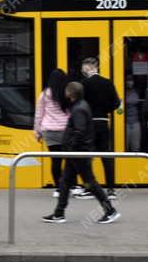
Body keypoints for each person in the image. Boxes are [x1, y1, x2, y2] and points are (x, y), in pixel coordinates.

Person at [43, 82, 120, 225]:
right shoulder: (80, 105)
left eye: (66, 91)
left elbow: (79, 130)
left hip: (79, 153)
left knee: (90, 183)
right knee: (65, 182)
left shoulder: (78, 109)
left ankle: (110, 211)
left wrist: (71, 147)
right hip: (76, 153)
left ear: (70, 93)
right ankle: (59, 213)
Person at [77, 57, 120, 200]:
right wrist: (105, 110)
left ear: (89, 67)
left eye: (83, 67)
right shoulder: (107, 82)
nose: (82, 70)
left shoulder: (84, 84)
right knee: (106, 156)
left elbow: (79, 104)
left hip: (89, 124)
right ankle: (111, 189)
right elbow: (116, 103)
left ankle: (90, 188)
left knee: (87, 157)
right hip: (103, 122)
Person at [34, 68, 70, 197]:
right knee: (70, 160)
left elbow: (39, 114)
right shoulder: (66, 93)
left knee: (56, 160)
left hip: (49, 131)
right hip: (66, 131)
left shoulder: (44, 94)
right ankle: (71, 185)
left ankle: (59, 188)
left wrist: (37, 132)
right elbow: (71, 112)